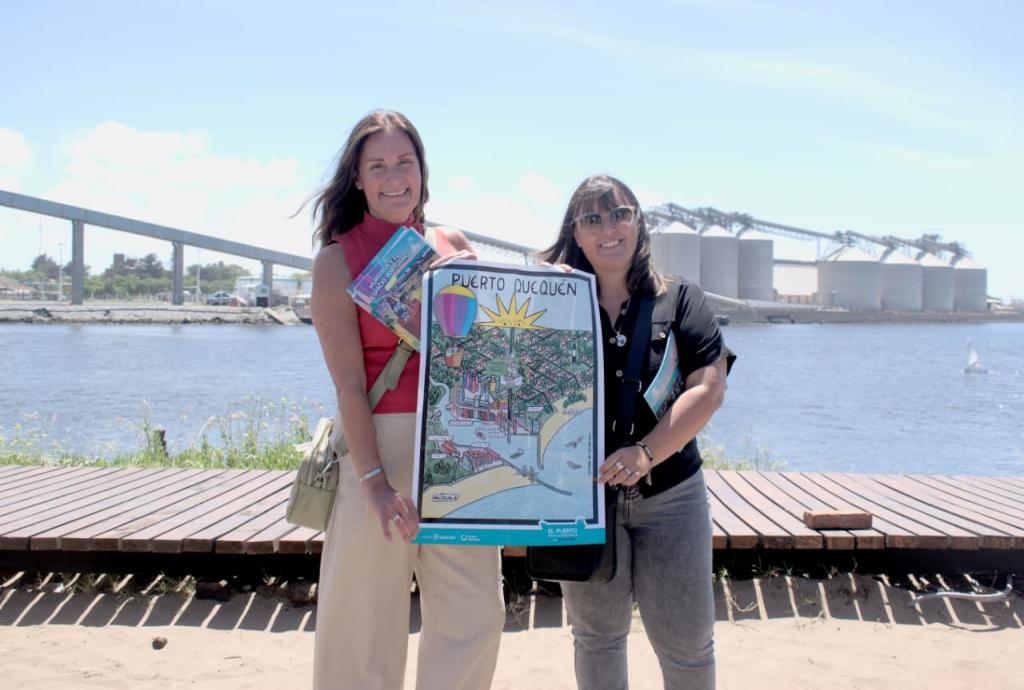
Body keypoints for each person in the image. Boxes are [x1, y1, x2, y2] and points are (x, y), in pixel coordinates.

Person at [308, 110, 504, 690]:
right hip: (379, 447)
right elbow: (348, 384)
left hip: (459, 443)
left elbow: (491, 358)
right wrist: (373, 482)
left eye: (404, 163)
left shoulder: (454, 244)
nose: (394, 178)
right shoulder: (336, 260)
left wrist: (522, 287)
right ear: (358, 179)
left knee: (474, 616)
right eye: (378, 166)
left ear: (422, 170)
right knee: (362, 625)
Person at [541, 175, 735, 690]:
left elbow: (709, 388)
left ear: (638, 222)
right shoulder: (552, 305)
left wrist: (646, 453)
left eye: (619, 214)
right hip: (583, 500)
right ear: (576, 233)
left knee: (687, 645)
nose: (608, 228)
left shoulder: (682, 298)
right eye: (592, 219)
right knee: (596, 638)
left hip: (671, 497)